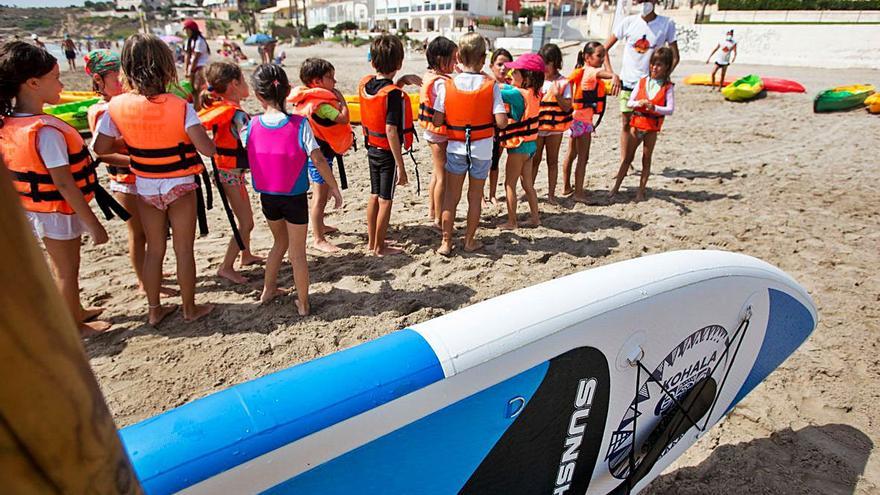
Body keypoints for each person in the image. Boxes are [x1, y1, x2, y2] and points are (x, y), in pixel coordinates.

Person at [93, 33, 216, 326]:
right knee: (183, 249)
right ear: (165, 68)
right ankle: (189, 308)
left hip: (145, 186)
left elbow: (99, 149)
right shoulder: (180, 106)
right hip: (180, 184)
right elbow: (207, 149)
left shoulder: (116, 106)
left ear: (126, 69)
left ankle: (153, 310)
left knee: (154, 249)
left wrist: (135, 154)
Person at [0, 41, 117, 336]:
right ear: (33, 83)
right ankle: (74, 326)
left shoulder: (11, 123)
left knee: (63, 266)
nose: (62, 84)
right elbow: (64, 183)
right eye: (55, 78)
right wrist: (93, 224)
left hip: (36, 209)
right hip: (57, 212)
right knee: (67, 269)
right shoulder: (46, 131)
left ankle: (75, 309)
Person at [242, 64, 343, 313]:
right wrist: (334, 187)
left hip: (268, 198)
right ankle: (304, 304)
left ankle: (268, 290)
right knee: (298, 254)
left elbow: (247, 157)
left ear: (258, 95)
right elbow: (318, 160)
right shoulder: (299, 125)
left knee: (279, 243)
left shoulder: (250, 126)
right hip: (294, 198)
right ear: (288, 91)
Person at [85, 49, 175, 298]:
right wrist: (139, 161)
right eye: (116, 78)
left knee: (152, 232)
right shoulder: (103, 110)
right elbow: (101, 153)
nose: (123, 82)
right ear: (99, 81)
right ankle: (143, 282)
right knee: (138, 234)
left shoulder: (125, 105)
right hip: (126, 180)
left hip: (144, 177)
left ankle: (149, 270)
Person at [432, 33, 507, 255]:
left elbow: (436, 120)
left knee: (451, 197)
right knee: (475, 197)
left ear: (458, 57)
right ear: (483, 59)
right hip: (482, 150)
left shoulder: (447, 85)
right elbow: (501, 122)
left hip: (456, 148)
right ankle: (469, 241)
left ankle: (446, 242)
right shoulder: (491, 86)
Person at [198, 61, 262, 283]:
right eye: (244, 81)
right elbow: (249, 142)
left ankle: (246, 254)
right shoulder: (236, 115)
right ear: (235, 84)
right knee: (246, 222)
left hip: (224, 171)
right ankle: (226, 266)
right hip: (229, 173)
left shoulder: (219, 107)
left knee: (243, 217)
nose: (246, 85)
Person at [357, 34, 421, 256]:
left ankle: (371, 242)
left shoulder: (365, 84)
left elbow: (382, 91)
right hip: (386, 153)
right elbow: (391, 130)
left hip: (371, 147)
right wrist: (400, 166)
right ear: (399, 63)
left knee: (374, 194)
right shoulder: (393, 95)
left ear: (373, 61)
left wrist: (402, 81)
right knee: (386, 200)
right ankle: (380, 247)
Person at [604, 0, 678, 175]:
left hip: (650, 86)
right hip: (628, 83)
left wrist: (663, 78)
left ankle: (643, 163)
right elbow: (604, 48)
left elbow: (675, 56)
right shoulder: (628, 22)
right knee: (626, 123)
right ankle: (625, 162)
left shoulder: (666, 24)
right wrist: (612, 74)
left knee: (647, 125)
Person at [289, 57, 354, 253]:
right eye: (331, 78)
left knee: (322, 196)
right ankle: (318, 238)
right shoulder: (322, 105)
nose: (335, 82)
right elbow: (343, 119)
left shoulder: (308, 101)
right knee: (320, 197)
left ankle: (321, 226)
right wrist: (341, 100)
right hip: (319, 159)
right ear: (317, 82)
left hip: (317, 155)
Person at [610, 47, 675, 202]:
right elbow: (630, 102)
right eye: (653, 64)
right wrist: (639, 102)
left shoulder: (668, 87)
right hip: (637, 125)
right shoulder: (642, 81)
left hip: (651, 128)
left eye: (659, 65)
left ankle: (641, 191)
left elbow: (670, 109)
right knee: (627, 158)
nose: (654, 67)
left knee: (646, 159)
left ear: (666, 67)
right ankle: (615, 188)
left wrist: (655, 108)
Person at [561, 42, 619, 203]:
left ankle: (566, 187)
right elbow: (605, 74)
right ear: (587, 57)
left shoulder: (582, 71)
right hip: (583, 121)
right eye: (599, 55)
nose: (601, 59)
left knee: (571, 154)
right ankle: (578, 193)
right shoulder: (591, 71)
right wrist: (615, 76)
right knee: (583, 157)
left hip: (574, 118)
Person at [497, 53, 543, 230]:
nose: (510, 74)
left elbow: (497, 91)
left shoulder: (517, 95)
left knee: (509, 183)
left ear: (527, 76)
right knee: (528, 184)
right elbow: (505, 87)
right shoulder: (535, 93)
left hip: (518, 147)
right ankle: (535, 218)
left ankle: (512, 221)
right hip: (531, 146)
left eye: (515, 71)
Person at [418, 36, 457, 230]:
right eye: (454, 59)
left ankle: (432, 212)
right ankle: (439, 218)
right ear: (442, 60)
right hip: (439, 133)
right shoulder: (442, 83)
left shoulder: (429, 76)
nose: (457, 63)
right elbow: (440, 112)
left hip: (430, 133)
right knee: (443, 176)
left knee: (436, 172)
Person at [532, 43, 572, 205]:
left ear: (556, 62)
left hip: (554, 128)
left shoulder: (563, 82)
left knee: (552, 161)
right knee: (534, 159)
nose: (545, 67)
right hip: (538, 127)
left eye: (548, 63)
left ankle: (551, 194)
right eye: (543, 63)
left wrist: (558, 96)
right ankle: (530, 190)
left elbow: (568, 106)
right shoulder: (536, 81)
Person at [486, 47, 512, 207]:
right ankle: (481, 196)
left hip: (506, 128)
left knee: (495, 162)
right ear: (492, 66)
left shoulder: (512, 84)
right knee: (483, 163)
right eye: (500, 64)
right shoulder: (487, 83)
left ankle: (493, 194)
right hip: (489, 129)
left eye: (507, 65)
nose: (504, 68)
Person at [183, 19, 210, 110]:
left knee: (199, 89)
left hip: (199, 67)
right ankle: (195, 107)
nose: (186, 32)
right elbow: (187, 55)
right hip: (193, 67)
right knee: (192, 90)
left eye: (188, 30)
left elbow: (196, 58)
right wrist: (186, 69)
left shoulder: (200, 41)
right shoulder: (189, 41)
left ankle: (200, 107)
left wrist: (191, 70)